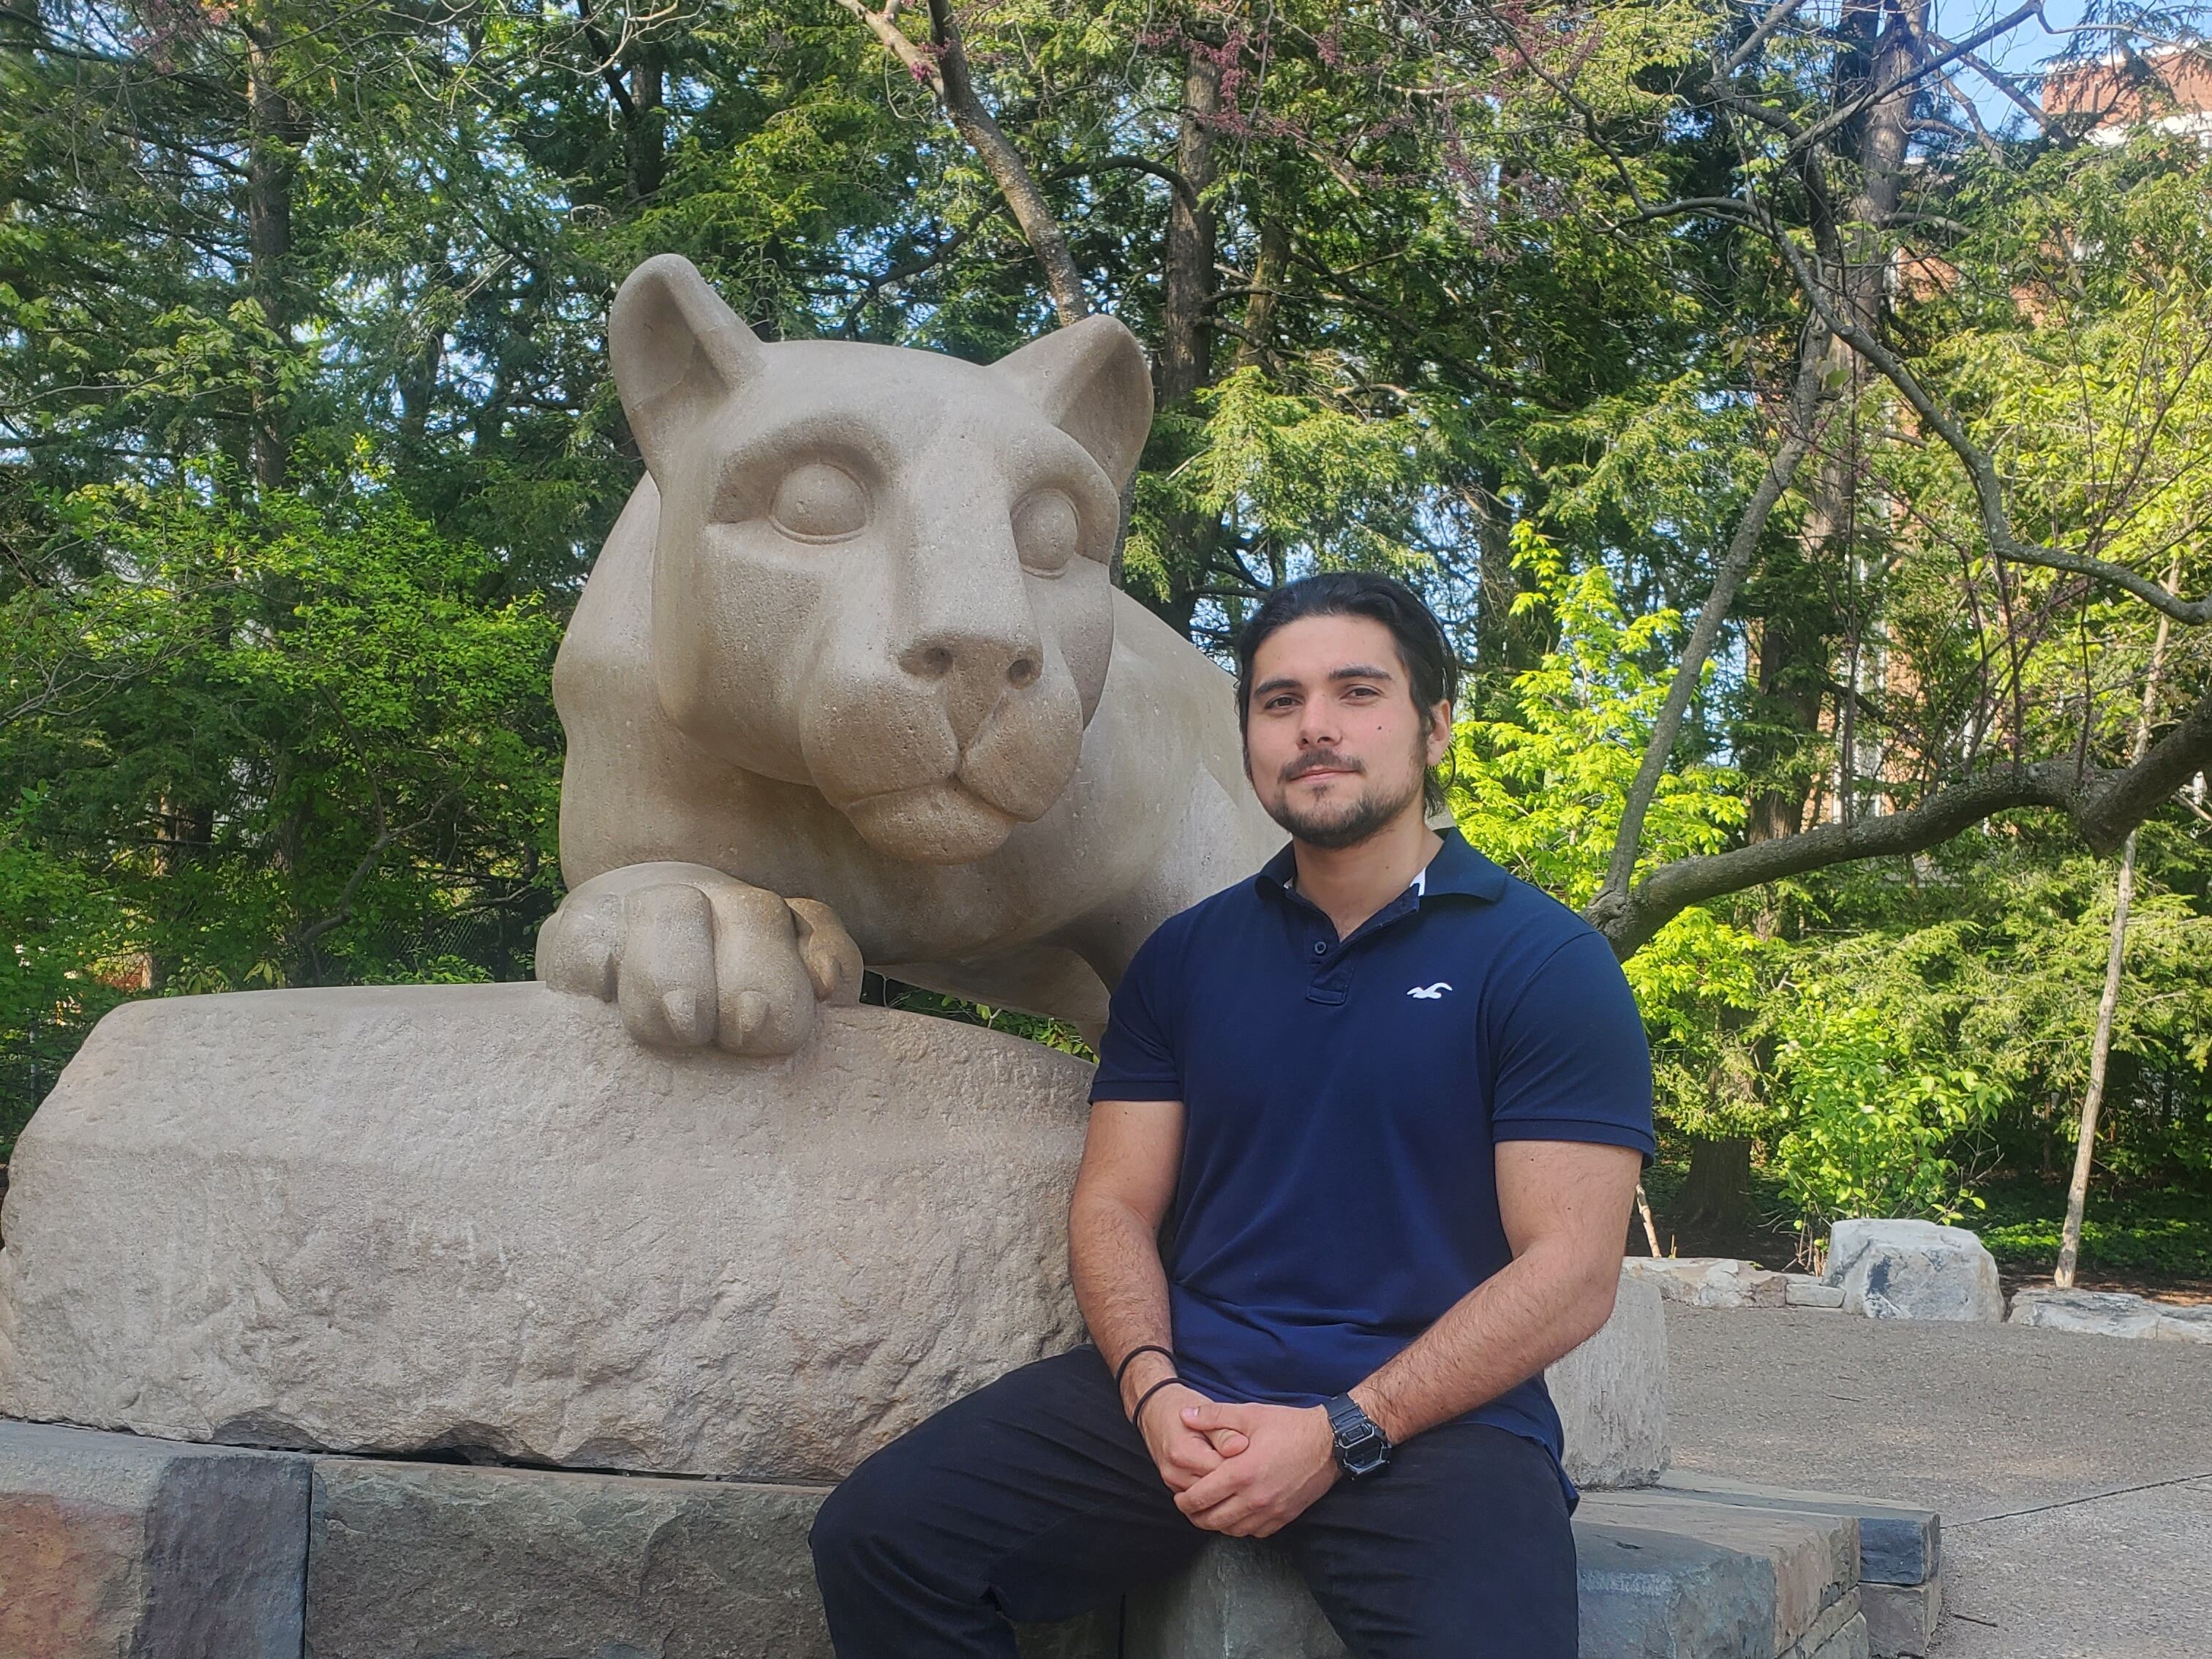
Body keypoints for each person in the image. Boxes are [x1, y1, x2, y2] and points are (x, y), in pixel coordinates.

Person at [809, 571, 1655, 1658]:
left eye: (1358, 692)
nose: (1315, 727)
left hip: (1435, 1422)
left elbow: (1572, 1272)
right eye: (1278, 701)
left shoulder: (1544, 963)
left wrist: (1343, 1430)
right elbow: (1115, 1204)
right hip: (1190, 1398)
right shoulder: (1185, 959)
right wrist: (1151, 1389)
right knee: (882, 1541)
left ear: (1435, 727)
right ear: (1250, 735)